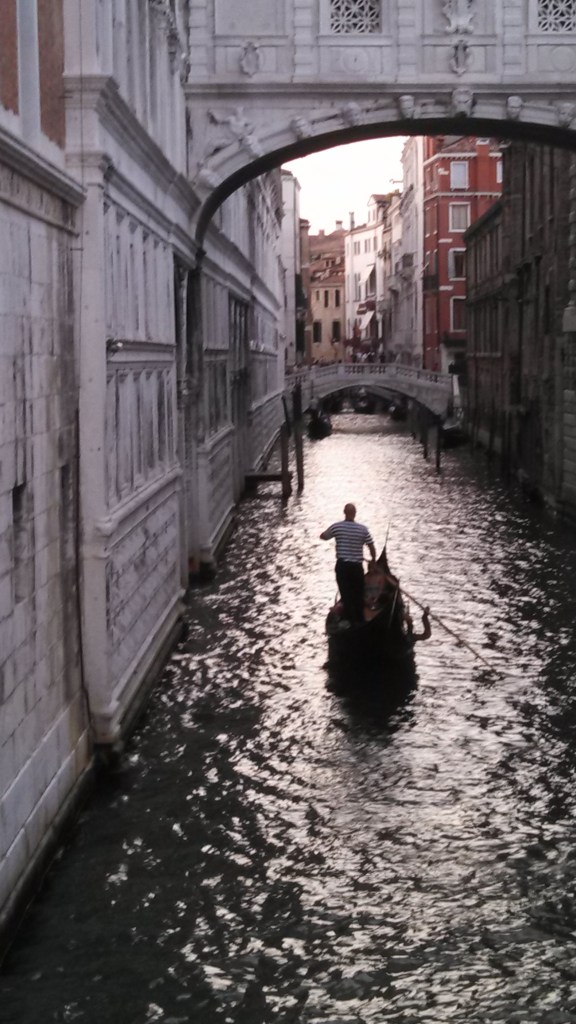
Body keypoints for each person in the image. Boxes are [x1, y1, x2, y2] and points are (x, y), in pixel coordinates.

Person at [320, 504, 376, 624]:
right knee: (358, 593)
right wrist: (373, 560)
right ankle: (360, 620)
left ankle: (349, 620)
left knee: (346, 594)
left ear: (344, 512)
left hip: (343, 566)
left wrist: (334, 537)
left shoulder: (336, 527)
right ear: (355, 513)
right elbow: (371, 546)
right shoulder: (363, 529)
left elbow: (323, 536)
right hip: (356, 567)